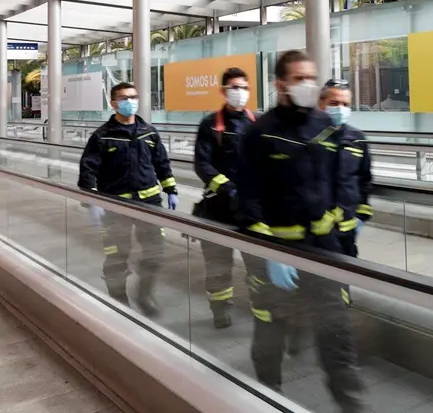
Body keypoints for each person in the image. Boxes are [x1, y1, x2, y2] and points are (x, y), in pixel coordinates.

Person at [233, 50, 363, 412]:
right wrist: (269, 254)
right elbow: (248, 202)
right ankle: (269, 396)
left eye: (311, 77)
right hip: (276, 257)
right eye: (299, 78)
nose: (307, 84)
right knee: (271, 331)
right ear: (280, 84)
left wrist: (344, 223)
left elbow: (342, 183)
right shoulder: (259, 134)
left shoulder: (325, 126)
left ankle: (350, 401)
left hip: (324, 251)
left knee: (336, 330)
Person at [78, 82, 178, 317]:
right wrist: (91, 200)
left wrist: (171, 189)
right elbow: (88, 169)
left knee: (156, 252)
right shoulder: (102, 136)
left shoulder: (149, 132)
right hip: (115, 205)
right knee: (116, 255)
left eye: (133, 97)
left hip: (149, 203)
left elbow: (162, 163)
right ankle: (119, 301)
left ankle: (145, 294)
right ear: (113, 104)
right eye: (123, 98)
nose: (129, 101)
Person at [193, 67, 256, 329]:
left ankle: (262, 308)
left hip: (251, 211)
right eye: (234, 88)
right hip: (218, 208)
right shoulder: (210, 125)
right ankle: (220, 309)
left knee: (257, 263)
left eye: (243, 88)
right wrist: (228, 188)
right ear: (223, 91)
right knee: (218, 263)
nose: (239, 93)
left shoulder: (258, 124)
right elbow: (202, 165)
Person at [319, 79, 373, 259]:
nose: (340, 108)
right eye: (334, 103)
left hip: (347, 232)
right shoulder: (309, 138)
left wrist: (360, 217)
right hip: (316, 233)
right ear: (321, 104)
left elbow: (364, 179)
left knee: (343, 281)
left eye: (345, 104)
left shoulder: (357, 139)